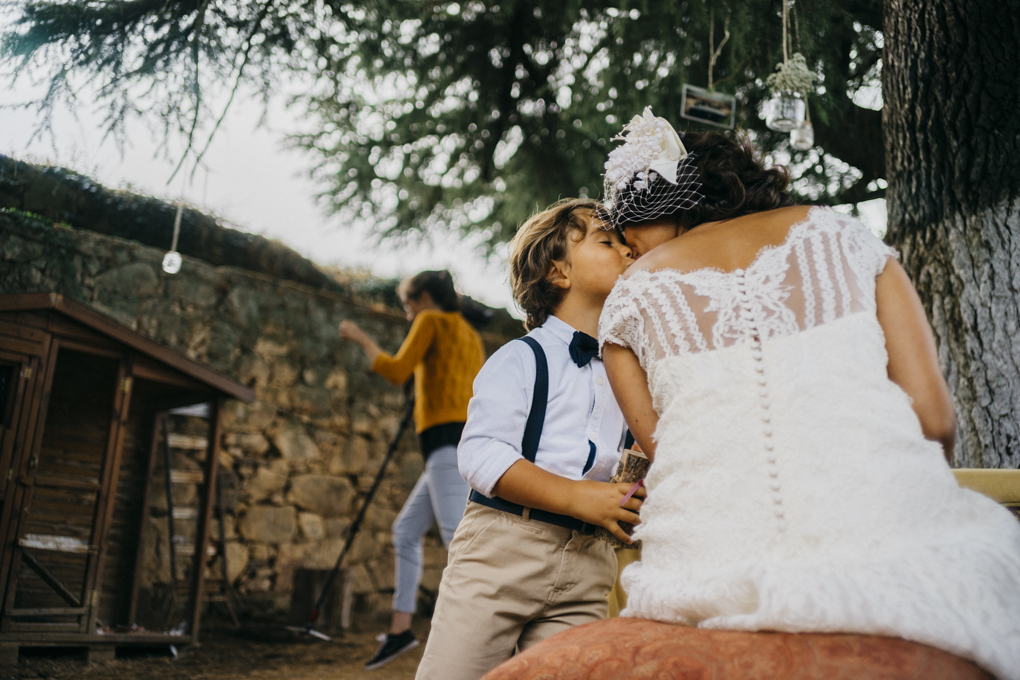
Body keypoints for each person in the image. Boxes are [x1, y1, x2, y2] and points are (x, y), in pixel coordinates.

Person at [597, 109, 1020, 679]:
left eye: (629, 229)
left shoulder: (627, 302)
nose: (627, 246)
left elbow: (668, 454)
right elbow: (935, 420)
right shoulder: (843, 234)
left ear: (668, 208)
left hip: (709, 567)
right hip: (881, 542)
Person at [414, 198, 644, 680]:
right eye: (608, 241)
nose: (627, 250)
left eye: (627, 243)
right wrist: (576, 497)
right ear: (558, 271)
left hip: (588, 567)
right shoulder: (521, 358)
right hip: (501, 551)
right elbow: (480, 453)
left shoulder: (630, 371)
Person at [339, 270, 486, 670]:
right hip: (462, 443)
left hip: (444, 444)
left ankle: (480, 631)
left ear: (423, 298)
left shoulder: (430, 321)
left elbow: (396, 369)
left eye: (407, 306)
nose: (407, 316)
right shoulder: (469, 335)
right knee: (405, 530)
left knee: (460, 538)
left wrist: (360, 338)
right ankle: (401, 628)